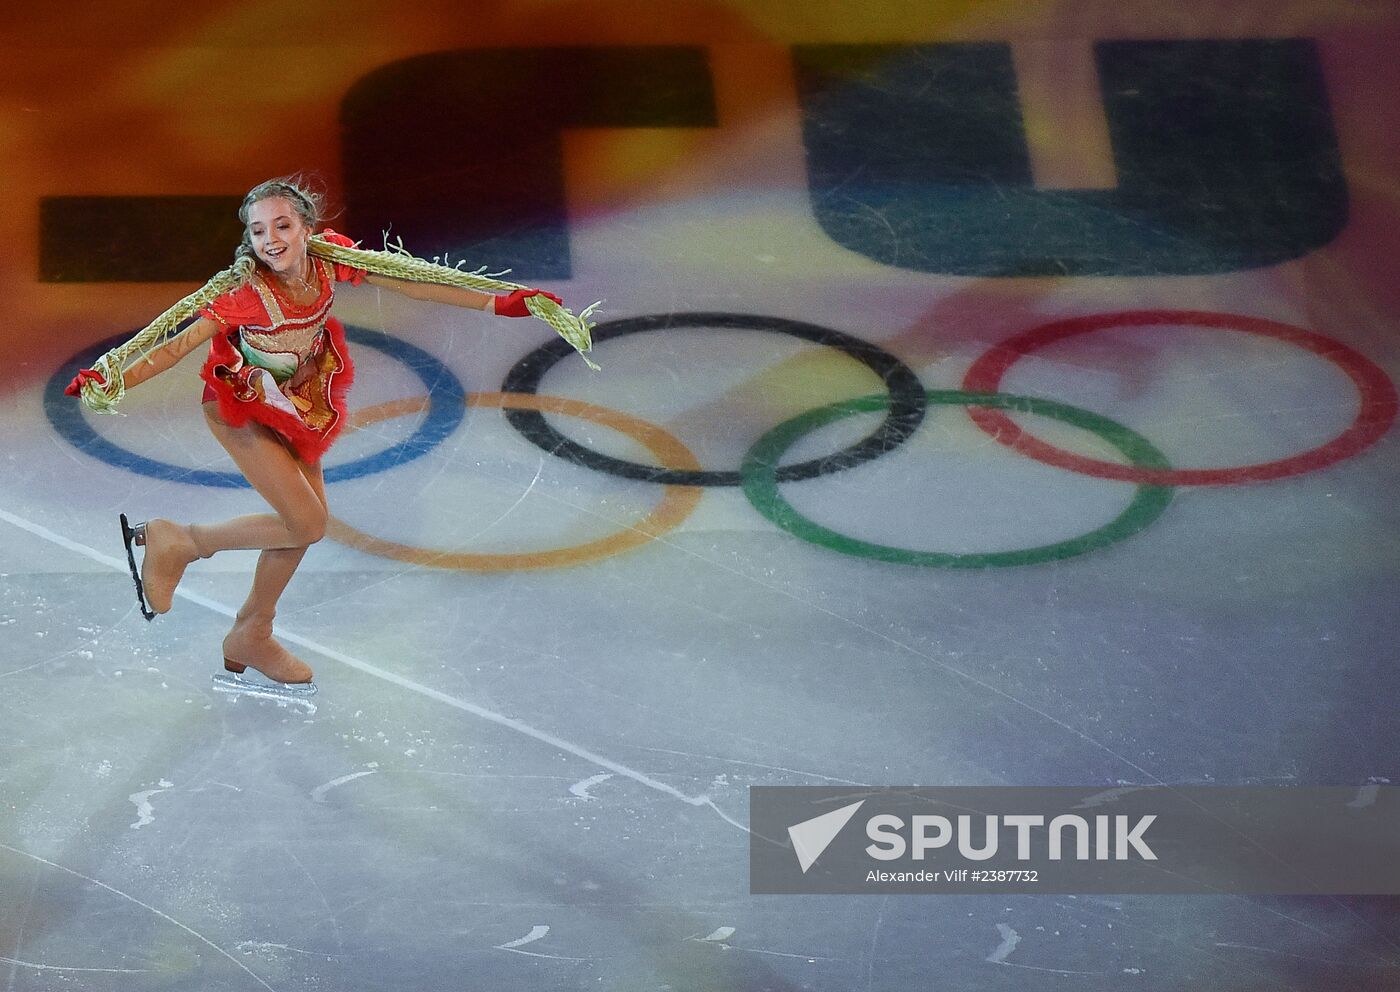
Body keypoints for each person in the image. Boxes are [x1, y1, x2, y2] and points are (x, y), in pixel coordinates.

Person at [65, 177, 595, 691]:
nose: (270, 240)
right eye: (257, 231)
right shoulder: (246, 292)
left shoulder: (331, 259)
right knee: (307, 522)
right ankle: (181, 541)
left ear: (306, 227)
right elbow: (175, 344)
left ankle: (252, 631)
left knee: (296, 528)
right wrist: (113, 377)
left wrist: (497, 302)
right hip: (242, 407)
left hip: (299, 402)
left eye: (282, 225)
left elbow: (408, 278)